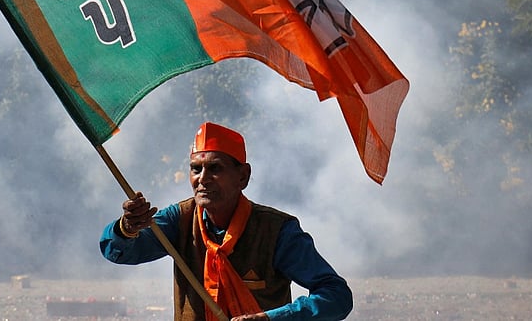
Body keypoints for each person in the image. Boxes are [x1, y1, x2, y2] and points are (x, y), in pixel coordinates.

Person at [100, 122, 353, 321]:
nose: (203, 179)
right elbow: (119, 252)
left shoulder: (277, 231)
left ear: (243, 176)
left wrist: (272, 318)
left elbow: (337, 296)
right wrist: (128, 228)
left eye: (216, 169)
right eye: (196, 169)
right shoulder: (179, 220)